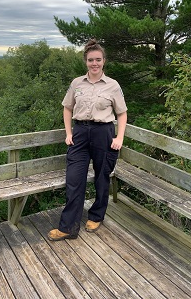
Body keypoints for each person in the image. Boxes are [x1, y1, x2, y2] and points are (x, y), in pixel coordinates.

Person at [48, 38, 127, 241]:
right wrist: (68, 133)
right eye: (91, 60)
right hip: (80, 134)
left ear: (104, 61)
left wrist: (119, 137)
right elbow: (67, 108)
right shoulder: (77, 83)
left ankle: (96, 215)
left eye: (98, 60)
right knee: (74, 180)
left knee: (102, 177)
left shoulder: (113, 85)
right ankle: (68, 227)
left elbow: (122, 113)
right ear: (86, 61)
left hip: (104, 134)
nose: (94, 63)